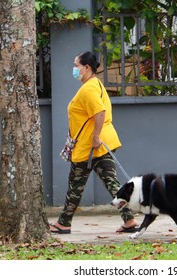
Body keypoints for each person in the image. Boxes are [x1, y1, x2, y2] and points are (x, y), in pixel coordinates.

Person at [50, 51, 138, 234]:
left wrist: (96, 137)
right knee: (112, 182)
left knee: (75, 186)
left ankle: (64, 223)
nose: (74, 69)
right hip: (100, 143)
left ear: (86, 67)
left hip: (89, 146)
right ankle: (129, 219)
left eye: (76, 65)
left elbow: (99, 112)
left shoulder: (89, 88)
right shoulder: (95, 84)